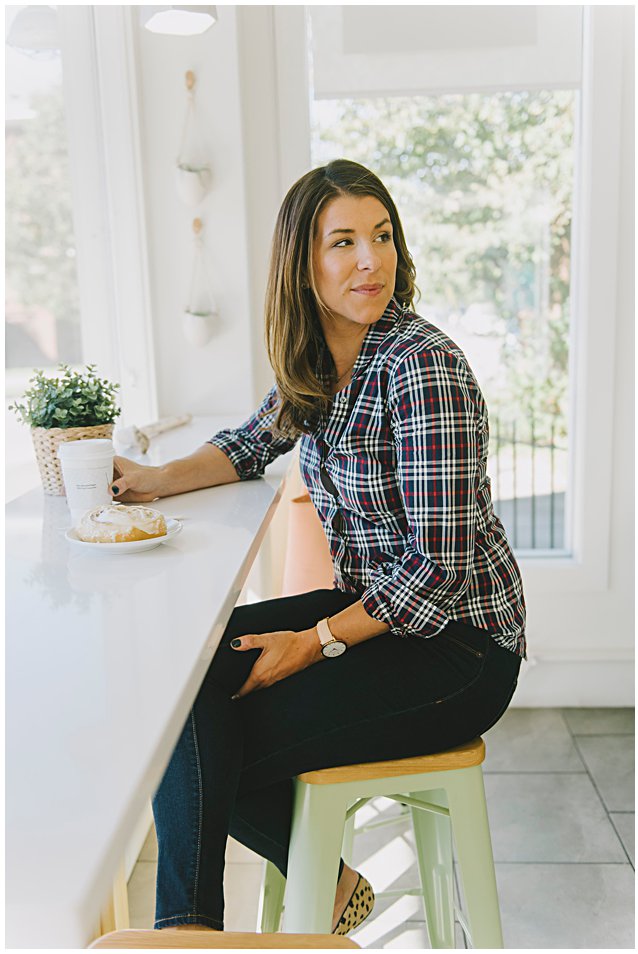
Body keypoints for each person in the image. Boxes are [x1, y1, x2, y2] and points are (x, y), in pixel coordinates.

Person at [112, 159, 526, 935]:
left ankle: (190, 932)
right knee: (180, 689)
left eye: (382, 236)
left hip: (459, 650)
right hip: (378, 618)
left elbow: (436, 570)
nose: (371, 260)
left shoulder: (422, 368)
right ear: (302, 264)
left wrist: (314, 642)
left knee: (206, 743)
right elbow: (248, 444)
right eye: (344, 242)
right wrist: (153, 480)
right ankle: (272, 904)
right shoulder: (318, 360)